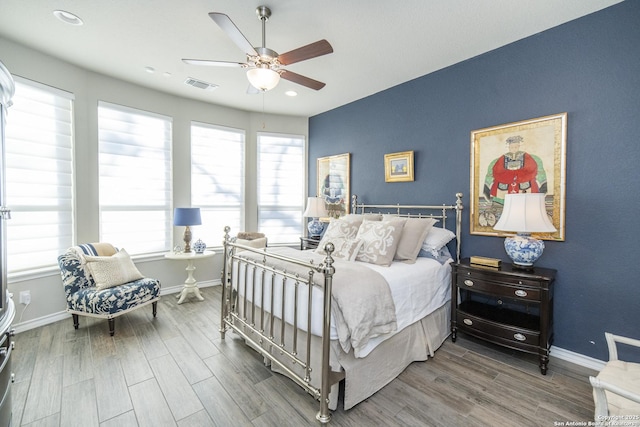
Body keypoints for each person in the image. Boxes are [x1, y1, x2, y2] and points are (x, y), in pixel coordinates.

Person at [483, 135, 548, 204]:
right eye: (511, 147)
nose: (514, 149)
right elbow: (490, 175)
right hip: (503, 189)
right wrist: (486, 188)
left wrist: (543, 185)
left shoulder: (531, 158)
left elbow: (540, 172)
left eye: (516, 147)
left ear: (519, 146)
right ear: (508, 147)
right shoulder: (497, 161)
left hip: (524, 188)